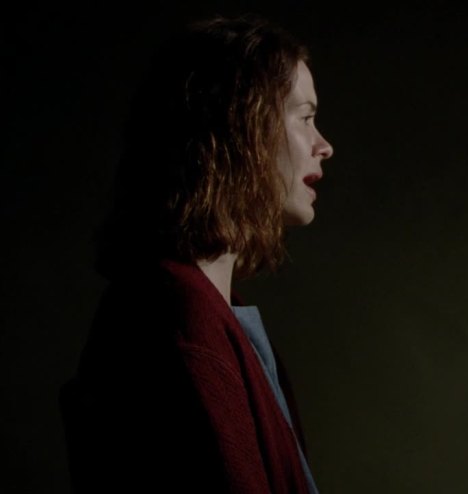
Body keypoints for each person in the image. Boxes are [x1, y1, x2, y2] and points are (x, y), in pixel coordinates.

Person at [60, 14, 333, 494]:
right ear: (241, 127)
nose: (323, 146)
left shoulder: (200, 310)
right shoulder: (184, 323)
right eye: (305, 118)